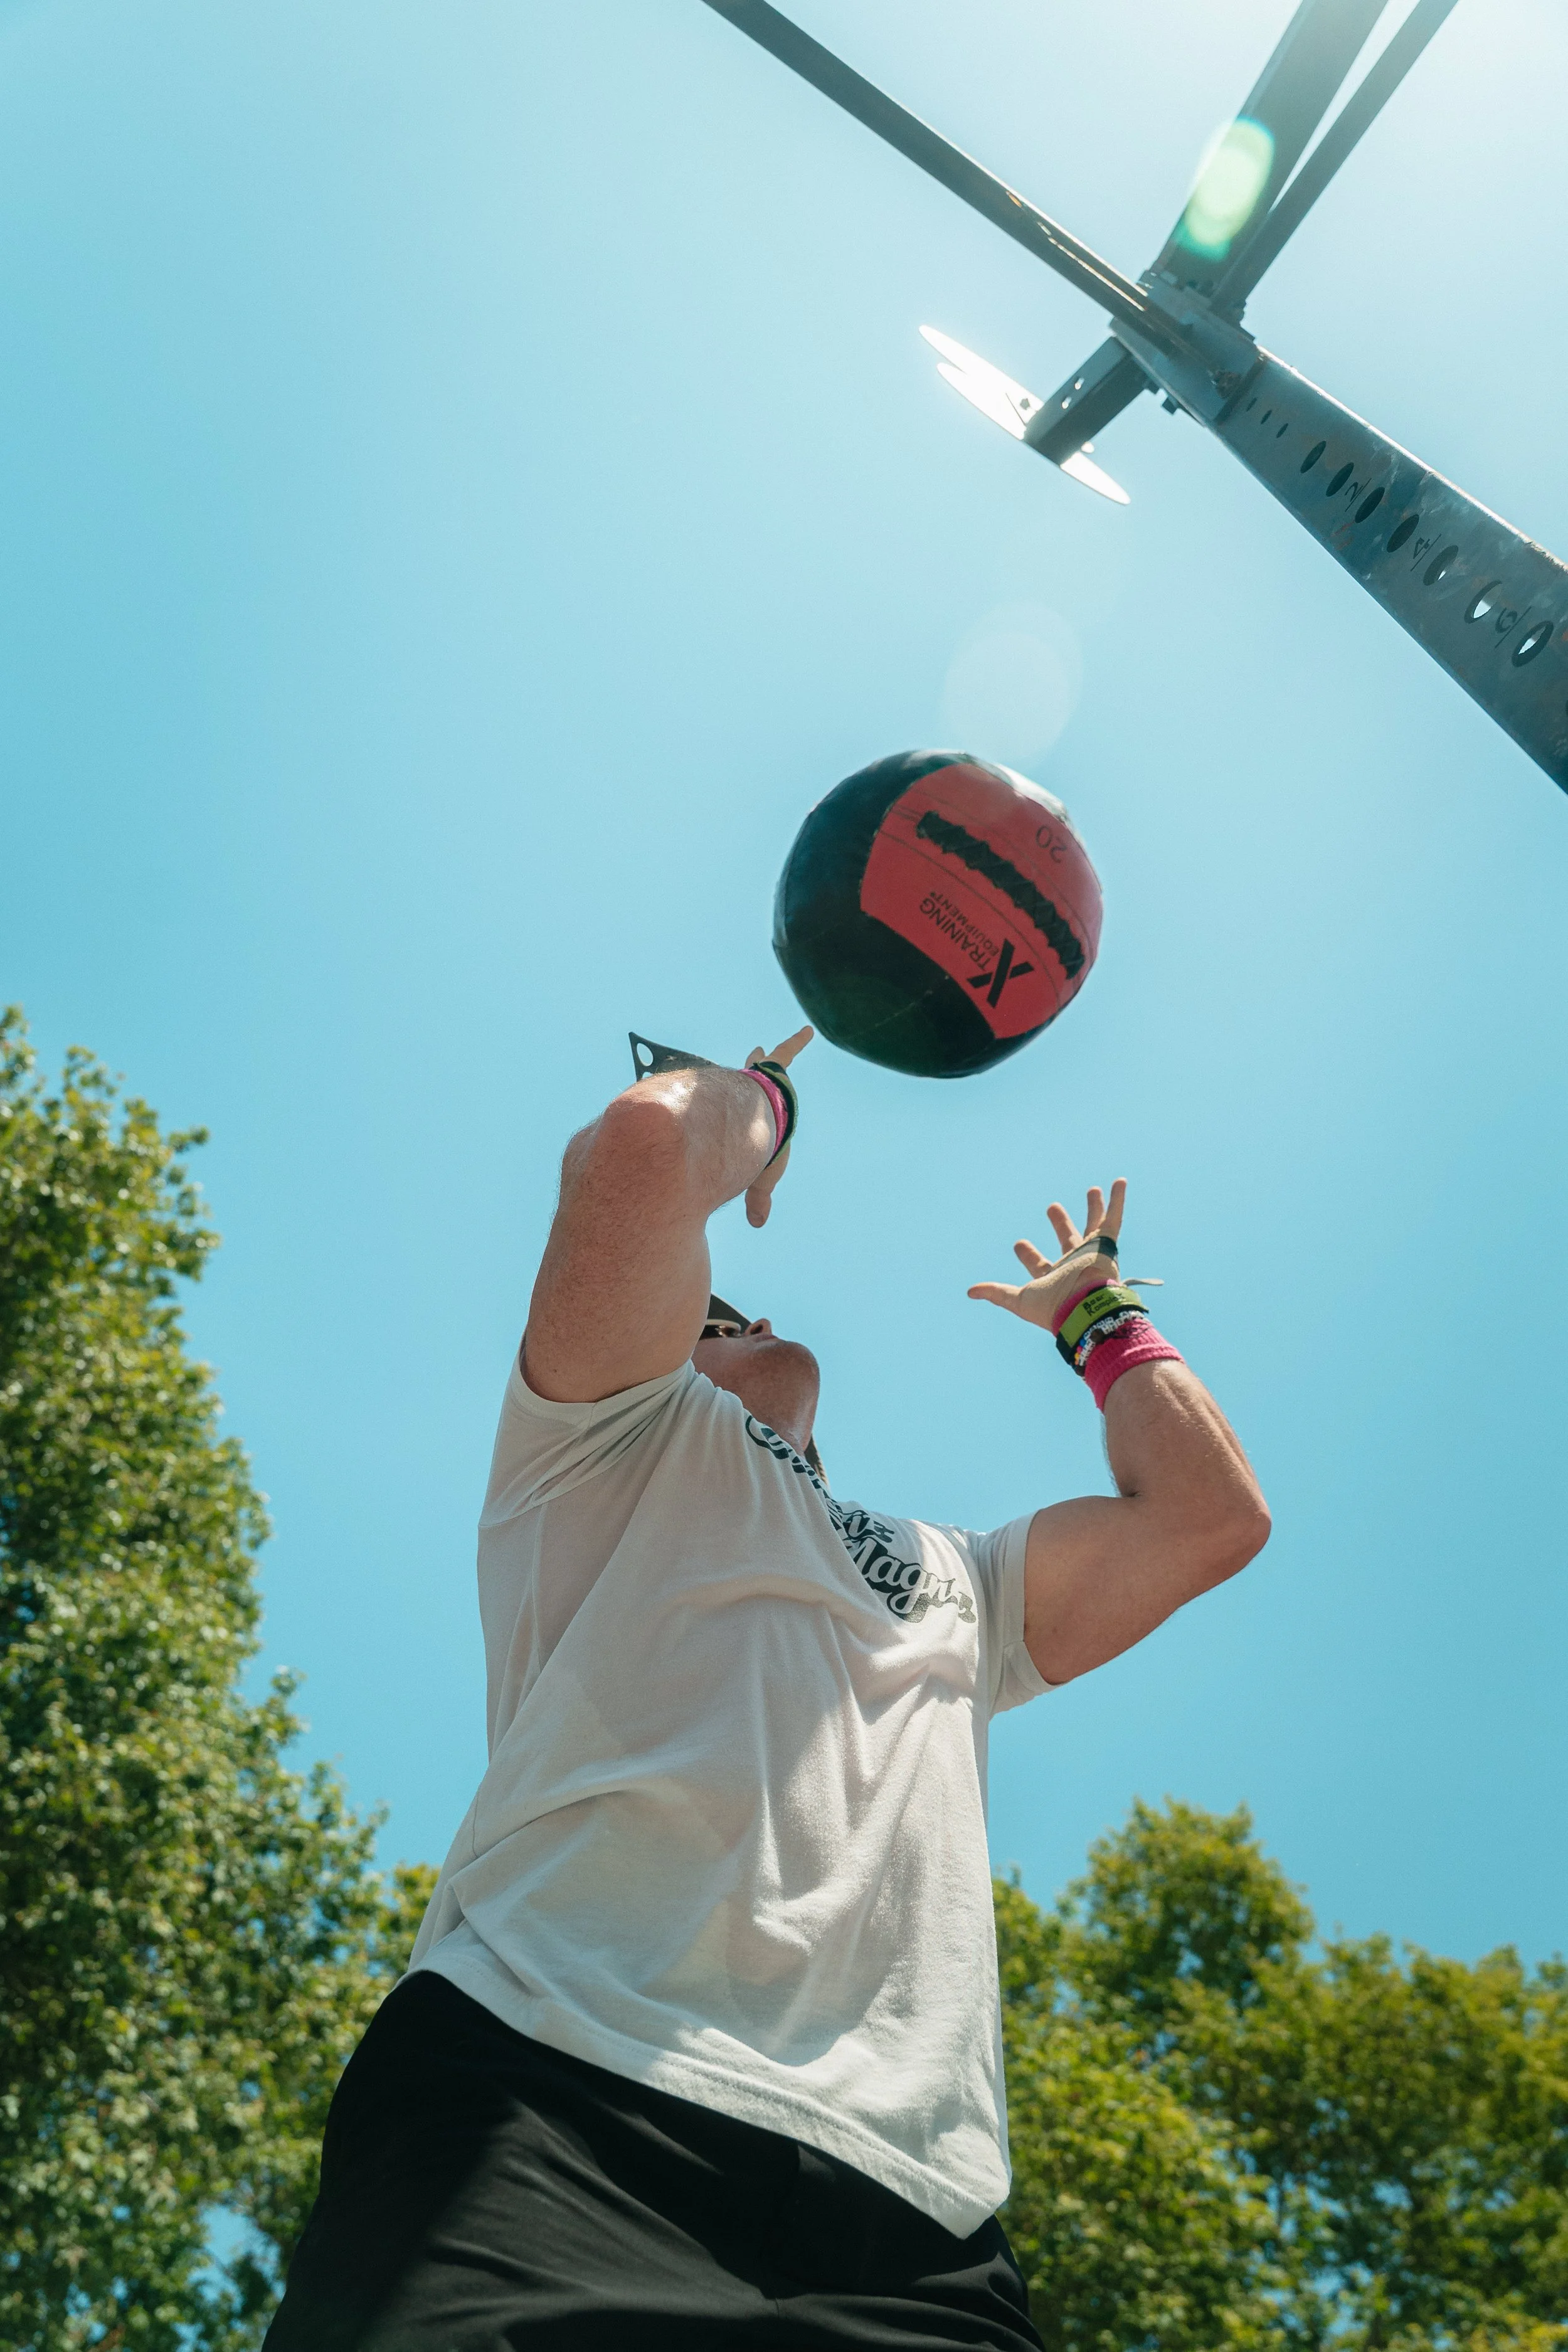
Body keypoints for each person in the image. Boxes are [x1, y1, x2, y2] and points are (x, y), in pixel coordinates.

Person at [264, 1027, 1270, 2350]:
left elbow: (1205, 1519)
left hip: (907, 2218)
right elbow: (638, 1150)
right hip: (547, 2098)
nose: (754, 1321)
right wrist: (769, 1105)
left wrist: (1096, 1314)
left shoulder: (950, 1580)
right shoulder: (609, 1446)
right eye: (715, 1314)